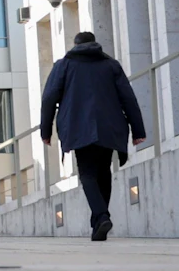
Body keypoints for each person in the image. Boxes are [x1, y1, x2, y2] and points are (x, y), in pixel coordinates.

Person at [39, 31, 148, 241]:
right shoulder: (111, 65)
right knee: (104, 171)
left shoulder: (64, 65)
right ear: (95, 43)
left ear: (75, 44)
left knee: (87, 173)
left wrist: (46, 131)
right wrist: (138, 130)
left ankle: (101, 215)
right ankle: (99, 222)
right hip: (110, 125)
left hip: (78, 126)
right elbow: (128, 97)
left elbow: (49, 98)